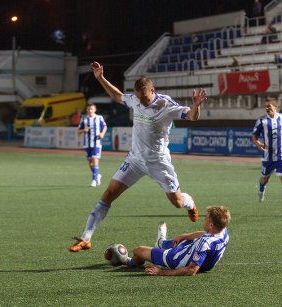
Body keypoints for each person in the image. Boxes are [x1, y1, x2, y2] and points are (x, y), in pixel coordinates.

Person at [69, 61, 208, 252]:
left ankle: (189, 202)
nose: (140, 101)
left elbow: (191, 116)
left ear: (153, 91)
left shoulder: (165, 104)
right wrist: (100, 78)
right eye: (138, 98)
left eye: (144, 98)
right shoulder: (135, 99)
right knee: (108, 194)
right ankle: (86, 238)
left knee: (177, 202)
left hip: (158, 162)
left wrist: (196, 106)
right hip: (134, 160)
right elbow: (117, 96)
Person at [124, 205, 230, 276]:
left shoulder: (204, 243)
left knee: (138, 250)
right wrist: (185, 236)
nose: (204, 219)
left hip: (175, 260)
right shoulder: (224, 231)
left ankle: (130, 262)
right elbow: (205, 234)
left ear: (211, 225)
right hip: (203, 262)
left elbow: (191, 270)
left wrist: (161, 272)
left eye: (206, 218)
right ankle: (161, 242)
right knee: (181, 241)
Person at [78, 103, 107, 187]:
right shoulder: (84, 119)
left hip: (97, 143)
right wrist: (84, 130)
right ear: (86, 110)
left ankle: (94, 180)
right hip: (87, 144)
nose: (90, 111)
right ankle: (97, 175)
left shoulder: (99, 118)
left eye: (91, 109)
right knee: (90, 163)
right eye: (88, 109)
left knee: (95, 159)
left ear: (95, 110)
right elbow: (78, 131)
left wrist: (102, 134)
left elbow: (105, 126)